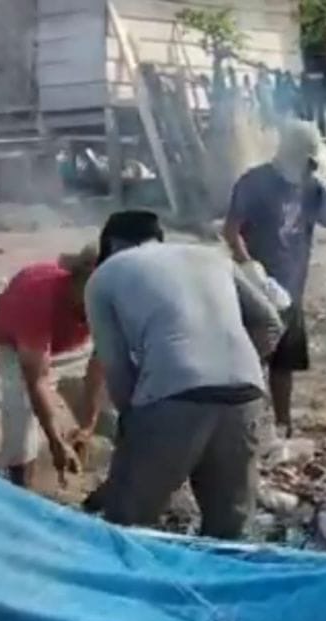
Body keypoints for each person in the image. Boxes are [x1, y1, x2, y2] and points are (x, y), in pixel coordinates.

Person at [84, 210, 284, 540]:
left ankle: (130, 591)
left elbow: (116, 366)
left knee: (128, 525)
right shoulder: (211, 257)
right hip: (245, 392)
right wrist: (236, 367)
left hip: (173, 395)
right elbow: (271, 323)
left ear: (112, 244)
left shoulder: (104, 276)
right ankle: (221, 590)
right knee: (230, 531)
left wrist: (133, 422)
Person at [223, 120, 326, 438]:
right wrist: (252, 270)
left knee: (284, 362)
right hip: (255, 289)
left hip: (291, 290)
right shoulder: (254, 182)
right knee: (251, 358)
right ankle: (241, 423)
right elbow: (231, 230)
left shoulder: (312, 187)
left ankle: (282, 423)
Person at [0, 245, 104, 489]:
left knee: (117, 391)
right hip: (17, 344)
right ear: (77, 280)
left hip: (71, 343)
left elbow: (99, 363)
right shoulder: (37, 298)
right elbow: (35, 380)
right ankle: (20, 481)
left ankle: (103, 465)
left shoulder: (109, 302)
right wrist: (55, 442)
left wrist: (88, 423)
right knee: (20, 403)